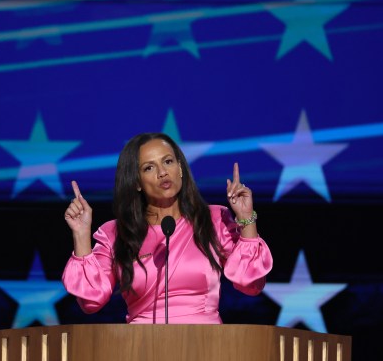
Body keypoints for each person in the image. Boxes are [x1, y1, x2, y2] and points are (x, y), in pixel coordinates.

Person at [62, 132, 272, 324]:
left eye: (168, 162)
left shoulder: (213, 219)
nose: (162, 173)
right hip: (141, 353)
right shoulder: (115, 234)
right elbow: (90, 302)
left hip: (207, 351)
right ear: (136, 182)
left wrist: (246, 219)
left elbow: (251, 284)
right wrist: (81, 235)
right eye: (149, 167)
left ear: (180, 168)